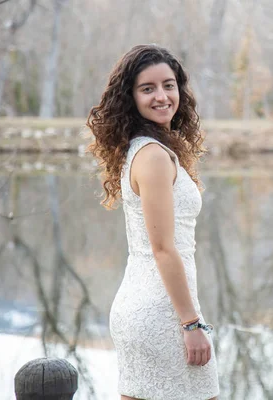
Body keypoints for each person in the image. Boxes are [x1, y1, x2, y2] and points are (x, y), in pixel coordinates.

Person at [87, 44, 219, 400]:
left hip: (153, 304)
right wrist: (191, 323)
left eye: (169, 85)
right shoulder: (153, 157)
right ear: (130, 97)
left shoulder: (147, 148)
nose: (162, 96)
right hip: (161, 312)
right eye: (148, 88)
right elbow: (162, 250)